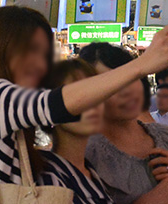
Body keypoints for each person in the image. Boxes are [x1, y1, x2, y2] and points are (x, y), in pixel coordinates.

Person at [0, 7, 168, 191]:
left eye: (46, 53)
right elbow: (58, 105)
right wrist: (142, 64)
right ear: (0, 51)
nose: (41, 63)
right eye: (30, 51)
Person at [80, 43, 168, 204]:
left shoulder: (166, 137)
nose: (126, 91)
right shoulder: (86, 154)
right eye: (111, 83)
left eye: (130, 78)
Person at [38, 59, 115, 204]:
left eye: (95, 94)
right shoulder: (49, 178)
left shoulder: (90, 171)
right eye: (78, 98)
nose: (91, 104)